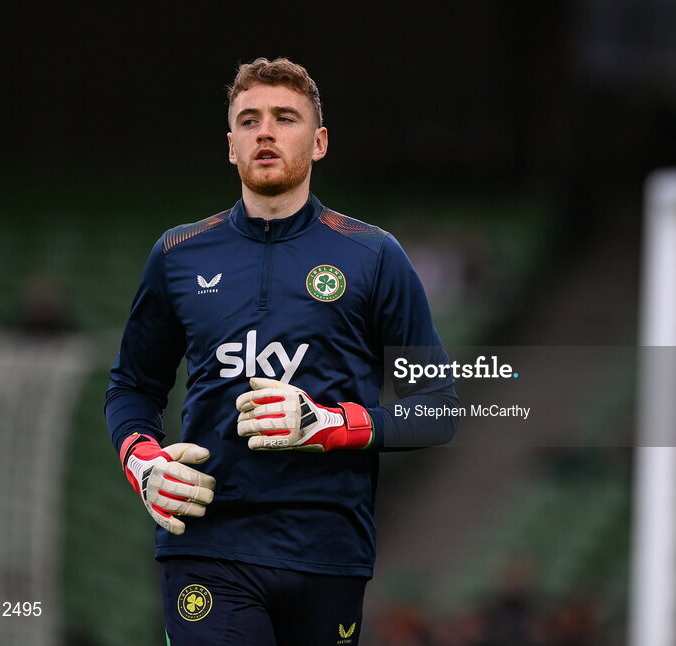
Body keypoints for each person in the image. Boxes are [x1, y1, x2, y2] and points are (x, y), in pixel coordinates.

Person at [105, 57, 459, 646]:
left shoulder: (375, 256)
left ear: (318, 142)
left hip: (329, 549)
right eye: (249, 120)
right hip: (209, 543)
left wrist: (326, 424)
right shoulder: (177, 254)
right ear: (230, 146)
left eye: (284, 118)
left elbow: (439, 407)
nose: (265, 131)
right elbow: (132, 388)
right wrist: (143, 462)